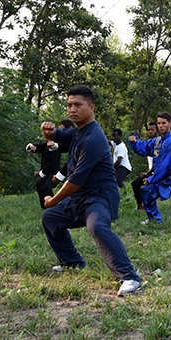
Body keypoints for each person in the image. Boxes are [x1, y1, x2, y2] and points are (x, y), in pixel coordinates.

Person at [40, 85, 141, 296]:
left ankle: (130, 277)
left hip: (100, 195)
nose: (72, 109)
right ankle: (72, 262)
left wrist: (54, 199)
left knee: (97, 226)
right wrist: (50, 132)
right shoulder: (79, 131)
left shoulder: (94, 137)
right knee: (50, 218)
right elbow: (61, 135)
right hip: (81, 197)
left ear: (91, 107)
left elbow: (75, 181)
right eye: (69, 105)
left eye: (78, 105)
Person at [27, 119, 74, 210]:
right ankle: (46, 206)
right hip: (51, 172)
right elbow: (39, 147)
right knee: (40, 185)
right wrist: (30, 146)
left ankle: (55, 206)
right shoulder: (49, 145)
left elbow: (70, 159)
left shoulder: (82, 138)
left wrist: (58, 176)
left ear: (70, 129)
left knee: (47, 186)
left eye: (62, 131)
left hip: (54, 172)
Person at [130, 122, 157, 211]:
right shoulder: (148, 143)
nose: (150, 132)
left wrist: (147, 174)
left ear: (157, 130)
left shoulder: (158, 144)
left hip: (158, 174)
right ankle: (140, 206)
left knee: (148, 190)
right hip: (152, 173)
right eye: (148, 130)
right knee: (136, 184)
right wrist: (134, 141)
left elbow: (158, 163)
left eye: (152, 130)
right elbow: (140, 147)